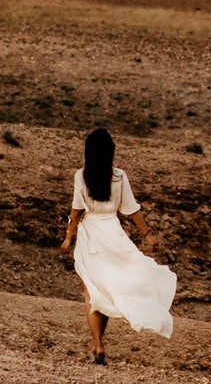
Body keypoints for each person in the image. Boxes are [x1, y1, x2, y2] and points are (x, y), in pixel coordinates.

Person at [61, 126, 176, 363]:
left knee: (91, 291)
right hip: (113, 234)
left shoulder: (80, 176)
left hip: (91, 235)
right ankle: (99, 344)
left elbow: (77, 209)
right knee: (108, 289)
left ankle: (98, 345)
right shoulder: (119, 176)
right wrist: (148, 235)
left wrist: (68, 237)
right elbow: (131, 210)